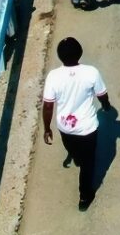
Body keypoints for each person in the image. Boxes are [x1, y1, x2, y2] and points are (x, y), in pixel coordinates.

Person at [41, 38, 112, 212]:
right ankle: (84, 197)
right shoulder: (91, 72)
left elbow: (48, 106)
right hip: (87, 129)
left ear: (60, 56)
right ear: (80, 53)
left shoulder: (53, 76)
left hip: (65, 128)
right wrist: (106, 106)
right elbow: (102, 95)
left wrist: (47, 128)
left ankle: (77, 157)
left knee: (74, 151)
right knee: (88, 164)